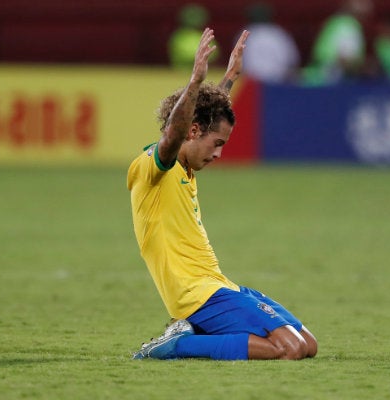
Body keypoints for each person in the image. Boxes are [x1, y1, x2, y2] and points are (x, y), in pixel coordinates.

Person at [127, 28, 318, 361]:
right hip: (196, 296)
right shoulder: (153, 168)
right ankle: (176, 345)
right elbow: (173, 135)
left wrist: (228, 79)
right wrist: (195, 83)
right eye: (217, 144)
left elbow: (199, 120)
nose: (218, 155)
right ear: (192, 131)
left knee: (307, 344)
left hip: (219, 286)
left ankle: (192, 331)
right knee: (288, 349)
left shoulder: (186, 167)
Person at [302, 0, 373, 85]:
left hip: (319, 78)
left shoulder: (336, 22)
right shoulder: (348, 27)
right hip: (328, 81)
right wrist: (366, 67)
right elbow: (345, 61)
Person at [240, 2, 301, 84]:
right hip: (276, 82)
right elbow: (292, 61)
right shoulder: (280, 34)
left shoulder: (243, 35)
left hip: (253, 84)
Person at [168, 4, 220, 68]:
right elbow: (182, 55)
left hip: (203, 73)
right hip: (181, 73)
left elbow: (214, 54)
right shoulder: (179, 36)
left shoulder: (206, 35)